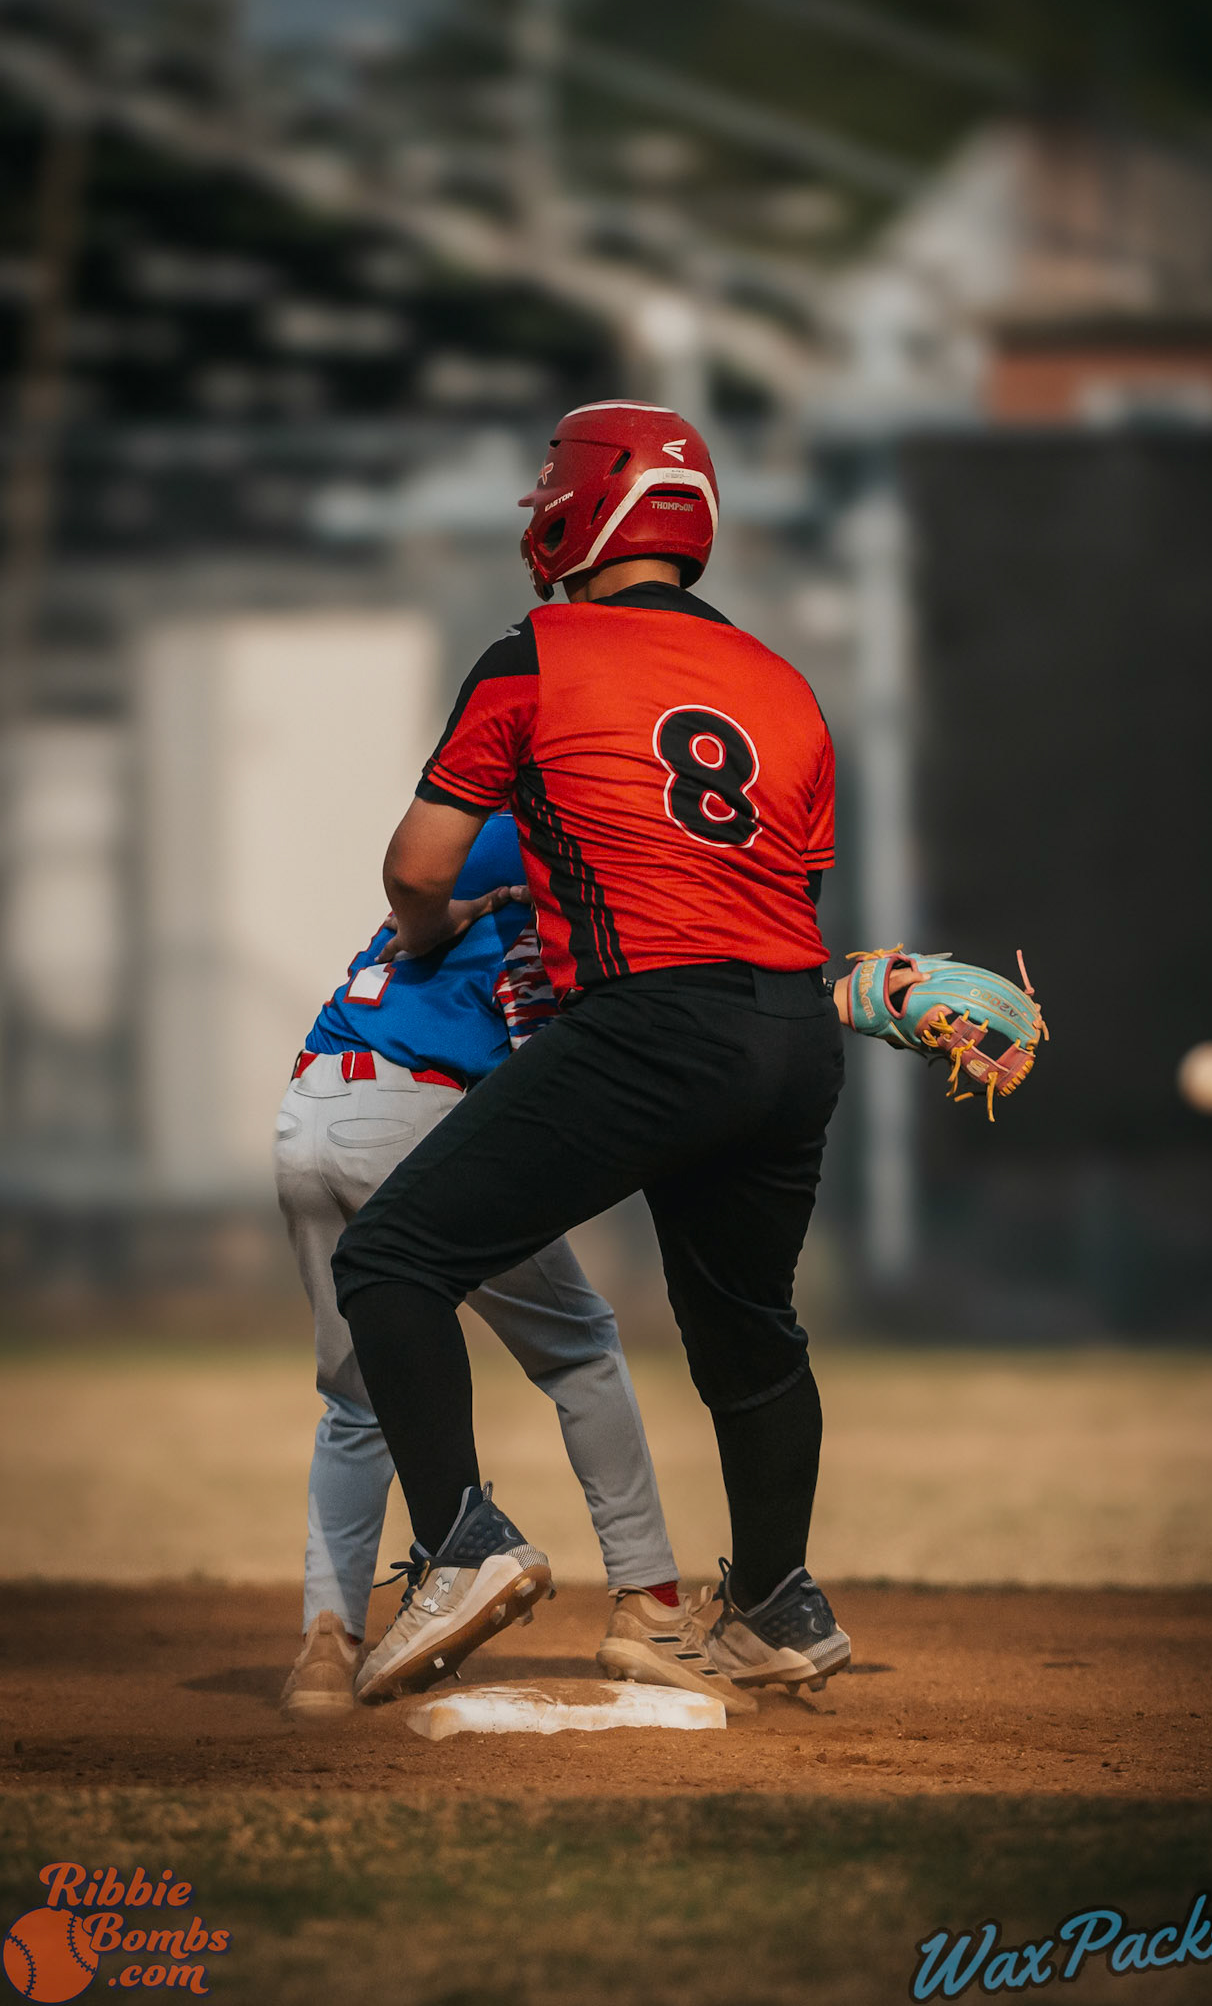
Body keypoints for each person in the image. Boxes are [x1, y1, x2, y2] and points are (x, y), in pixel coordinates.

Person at [333, 399, 853, 1705]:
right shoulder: (785, 683)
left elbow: (418, 863)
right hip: (794, 1035)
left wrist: (434, 929)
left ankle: (462, 1548)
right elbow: (784, 897)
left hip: (653, 1023)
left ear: (586, 505)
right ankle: (780, 1607)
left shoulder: (536, 653)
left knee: (393, 1257)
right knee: (750, 1331)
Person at [275, 809, 752, 1719]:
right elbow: (548, 1054)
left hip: (309, 1107)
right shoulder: (565, 866)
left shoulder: (481, 854)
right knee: (579, 1346)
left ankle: (324, 1655)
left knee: (359, 1395)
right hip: (412, 1114)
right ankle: (646, 1606)